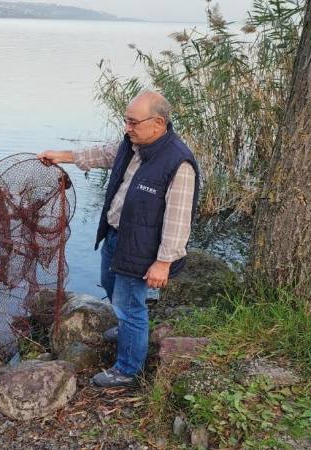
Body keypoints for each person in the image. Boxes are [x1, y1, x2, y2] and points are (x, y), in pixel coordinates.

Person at [38, 91, 199, 388]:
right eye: (126, 121)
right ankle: (128, 331)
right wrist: (61, 156)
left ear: (158, 123)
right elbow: (103, 153)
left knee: (130, 306)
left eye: (133, 122)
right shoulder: (135, 144)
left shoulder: (178, 163)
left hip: (142, 249)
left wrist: (163, 262)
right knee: (111, 286)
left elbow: (178, 220)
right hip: (115, 237)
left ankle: (127, 370)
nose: (127, 127)